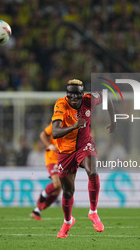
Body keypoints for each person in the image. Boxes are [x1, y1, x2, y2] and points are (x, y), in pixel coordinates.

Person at [52, 79, 116, 238]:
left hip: (84, 145)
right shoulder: (61, 105)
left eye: (77, 95)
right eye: (71, 95)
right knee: (68, 191)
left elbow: (107, 97)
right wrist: (74, 125)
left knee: (92, 171)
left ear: (82, 94)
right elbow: (55, 132)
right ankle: (67, 221)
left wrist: (114, 121)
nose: (74, 98)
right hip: (65, 151)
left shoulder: (89, 100)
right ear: (67, 95)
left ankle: (93, 212)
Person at [30, 122, 62, 220]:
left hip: (62, 159)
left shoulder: (73, 124)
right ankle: (43, 196)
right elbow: (43, 134)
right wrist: (50, 145)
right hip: (52, 157)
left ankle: (37, 211)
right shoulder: (57, 123)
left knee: (57, 191)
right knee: (57, 184)